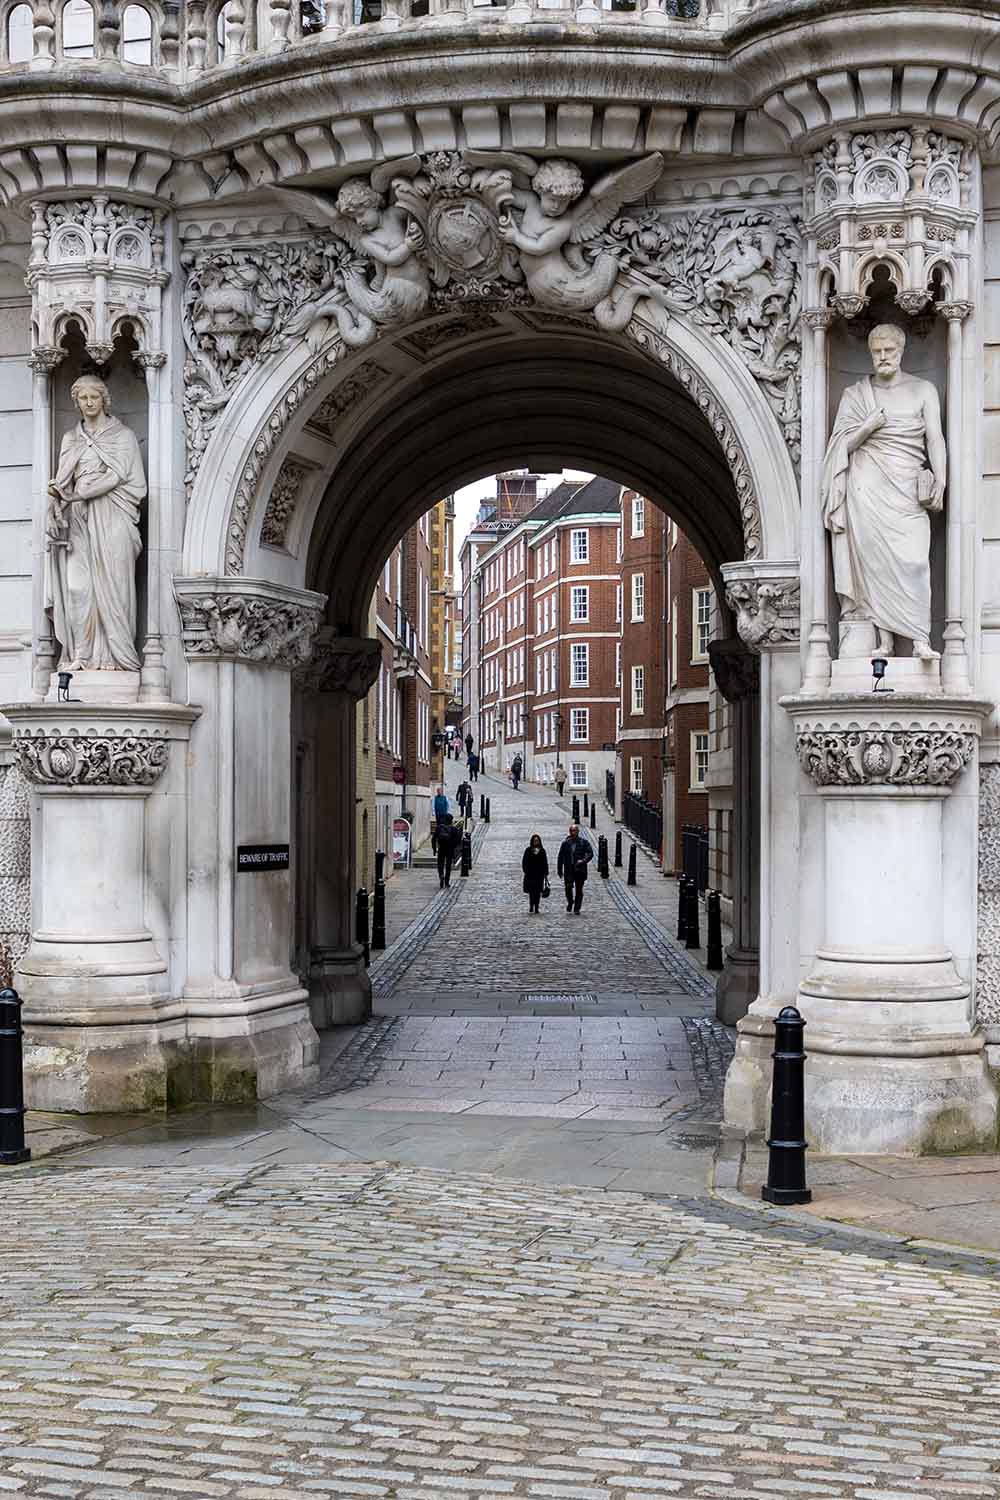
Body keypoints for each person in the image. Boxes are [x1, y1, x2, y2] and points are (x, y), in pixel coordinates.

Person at [822, 323, 946, 661]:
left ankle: (921, 639)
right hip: (867, 489)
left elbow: (935, 438)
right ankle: (885, 642)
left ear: (901, 350)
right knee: (875, 564)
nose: (882, 357)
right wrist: (867, 427)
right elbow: (839, 448)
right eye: (876, 351)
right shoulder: (856, 395)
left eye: (888, 351)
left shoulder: (923, 390)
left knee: (916, 560)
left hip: (907, 488)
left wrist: (941, 479)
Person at [557, 822, 593, 914]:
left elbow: (590, 853)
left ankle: (577, 908)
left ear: (578, 832)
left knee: (579, 890)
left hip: (579, 869)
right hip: (569, 869)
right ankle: (570, 902)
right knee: (568, 888)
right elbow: (560, 857)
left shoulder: (583, 842)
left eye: (575, 831)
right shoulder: (565, 843)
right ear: (570, 832)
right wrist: (559, 869)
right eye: (572, 831)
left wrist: (583, 861)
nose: (574, 833)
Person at [521, 833, 549, 915]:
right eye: (534, 841)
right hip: (530, 874)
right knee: (531, 891)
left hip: (539, 875)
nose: (536, 842)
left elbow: (545, 862)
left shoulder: (542, 851)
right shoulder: (528, 850)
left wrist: (546, 872)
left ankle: (536, 906)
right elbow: (524, 862)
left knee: (538, 892)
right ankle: (531, 905)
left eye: (537, 841)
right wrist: (526, 870)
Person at [436, 813, 462, 889]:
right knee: (448, 865)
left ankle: (441, 875)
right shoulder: (454, 829)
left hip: (441, 848)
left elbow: (433, 838)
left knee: (440, 864)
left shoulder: (439, 827)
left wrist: (434, 849)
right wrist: (454, 847)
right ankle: (447, 881)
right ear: (451, 820)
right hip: (450, 849)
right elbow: (458, 840)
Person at [432, 785, 449, 855]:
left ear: (442, 791)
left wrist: (447, 811)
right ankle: (439, 833)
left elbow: (447, 805)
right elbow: (433, 805)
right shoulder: (435, 798)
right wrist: (433, 812)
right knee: (439, 824)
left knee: (443, 824)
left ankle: (443, 833)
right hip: (438, 813)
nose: (439, 792)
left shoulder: (445, 797)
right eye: (438, 791)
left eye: (440, 791)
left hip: (444, 813)